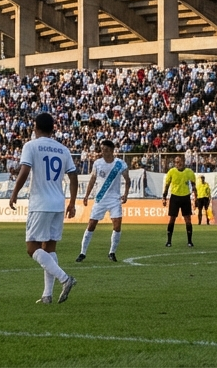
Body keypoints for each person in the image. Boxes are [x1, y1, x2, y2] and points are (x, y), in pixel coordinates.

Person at [9, 113, 79, 304]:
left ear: (35, 127)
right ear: (53, 128)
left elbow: (24, 170)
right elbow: (73, 176)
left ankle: (65, 278)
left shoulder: (31, 146)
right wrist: (72, 202)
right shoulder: (63, 149)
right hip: (57, 203)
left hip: (40, 204)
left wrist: (14, 193)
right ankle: (47, 295)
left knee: (32, 248)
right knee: (49, 248)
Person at [77, 140, 130, 263]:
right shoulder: (97, 163)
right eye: (102, 149)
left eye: (105, 150)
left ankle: (112, 252)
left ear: (112, 150)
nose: (103, 152)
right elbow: (92, 179)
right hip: (100, 198)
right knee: (91, 225)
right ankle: (82, 252)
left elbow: (127, 180)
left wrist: (125, 194)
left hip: (114, 199)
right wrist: (86, 196)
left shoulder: (120, 164)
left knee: (117, 225)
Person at [162, 155, 196, 248]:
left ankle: (189, 241)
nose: (177, 163)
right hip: (175, 197)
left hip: (185, 197)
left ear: (183, 162)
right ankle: (169, 241)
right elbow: (167, 185)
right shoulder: (171, 172)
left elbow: (193, 186)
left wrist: (195, 197)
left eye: (179, 161)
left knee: (188, 220)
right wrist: (164, 197)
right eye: (176, 162)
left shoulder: (189, 172)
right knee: (172, 219)